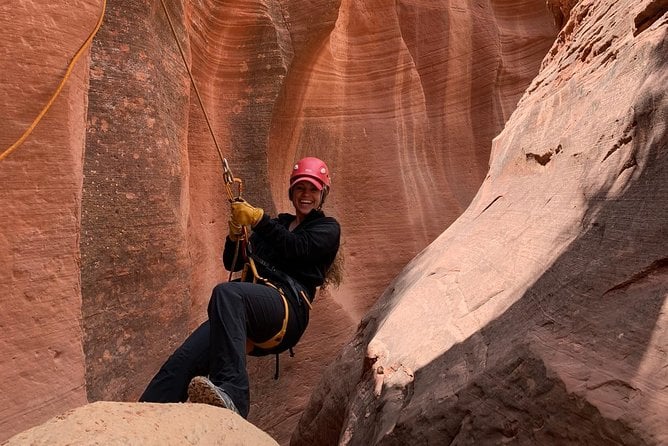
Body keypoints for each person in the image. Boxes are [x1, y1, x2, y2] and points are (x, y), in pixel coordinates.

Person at [139, 156, 341, 418]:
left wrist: (259, 219)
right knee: (184, 359)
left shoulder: (326, 228)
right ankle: (143, 413)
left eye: (313, 189)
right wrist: (235, 234)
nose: (306, 195)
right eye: (301, 188)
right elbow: (232, 261)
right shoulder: (279, 223)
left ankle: (233, 394)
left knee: (227, 292)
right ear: (292, 191)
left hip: (288, 307)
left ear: (322, 193)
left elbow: (296, 248)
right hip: (246, 308)